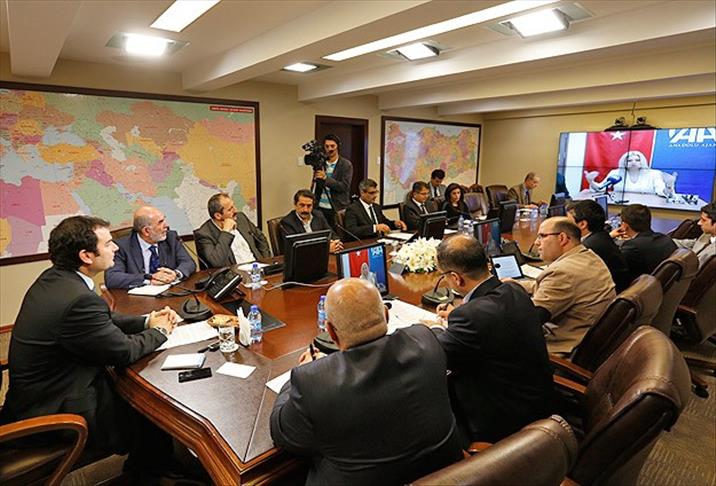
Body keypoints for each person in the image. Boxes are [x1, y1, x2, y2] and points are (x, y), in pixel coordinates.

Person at [1, 216, 178, 478]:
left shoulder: (57, 279)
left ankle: (153, 462)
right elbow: (124, 351)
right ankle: (149, 471)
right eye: (108, 244)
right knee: (151, 405)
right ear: (86, 255)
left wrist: (146, 321)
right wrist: (160, 331)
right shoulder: (76, 299)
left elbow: (101, 319)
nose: (116, 247)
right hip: (53, 411)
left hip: (34, 395)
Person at [270, 278, 463, 485]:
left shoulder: (313, 381)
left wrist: (299, 374)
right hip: (448, 476)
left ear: (331, 332)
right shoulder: (424, 339)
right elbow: (436, 332)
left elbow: (282, 434)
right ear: (386, 315)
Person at [432, 235, 554, 443]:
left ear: (456, 278)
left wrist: (434, 327)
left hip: (503, 423)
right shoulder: (514, 290)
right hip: (537, 403)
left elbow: (435, 355)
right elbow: (489, 321)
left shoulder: (470, 316)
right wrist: (459, 314)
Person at [516, 217, 616, 356]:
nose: (537, 242)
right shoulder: (588, 257)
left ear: (562, 238)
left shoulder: (562, 272)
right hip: (583, 341)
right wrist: (514, 285)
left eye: (542, 236)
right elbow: (552, 287)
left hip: (557, 352)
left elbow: (529, 320)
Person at [105, 205, 196, 288]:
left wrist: (175, 274)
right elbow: (112, 278)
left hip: (170, 292)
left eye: (164, 220)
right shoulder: (121, 246)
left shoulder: (171, 238)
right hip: (138, 297)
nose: (166, 226)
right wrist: (150, 278)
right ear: (146, 231)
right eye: (160, 222)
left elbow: (188, 262)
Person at [567, 199, 631, 292]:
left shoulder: (587, 249)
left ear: (582, 224)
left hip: (606, 294)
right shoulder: (601, 236)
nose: (565, 225)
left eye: (568, 221)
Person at [194, 193, 271, 268]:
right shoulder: (204, 234)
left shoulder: (241, 218)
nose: (235, 210)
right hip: (235, 274)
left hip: (258, 267)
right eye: (230, 209)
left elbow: (260, 238)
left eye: (233, 206)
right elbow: (216, 262)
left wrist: (265, 261)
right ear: (218, 216)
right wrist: (226, 231)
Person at [610, 203, 677, 281]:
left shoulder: (632, 246)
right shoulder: (665, 238)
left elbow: (611, 265)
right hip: (658, 285)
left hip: (637, 286)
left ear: (624, 226)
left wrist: (609, 237)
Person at [280, 189, 343, 253]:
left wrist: (336, 243)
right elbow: (296, 249)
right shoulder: (287, 222)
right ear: (295, 204)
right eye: (302, 205)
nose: (305, 210)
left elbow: (332, 235)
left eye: (309, 206)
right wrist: (325, 249)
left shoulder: (318, 215)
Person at [585, 150, 672, 197]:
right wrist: (591, 181)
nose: (633, 162)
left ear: (642, 162)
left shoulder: (654, 174)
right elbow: (600, 188)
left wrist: (669, 185)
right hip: (620, 206)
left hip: (646, 208)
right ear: (624, 163)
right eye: (629, 160)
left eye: (637, 160)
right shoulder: (615, 173)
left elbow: (662, 192)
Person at [313, 134, 354, 228]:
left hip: (336, 207)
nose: (329, 149)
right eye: (327, 146)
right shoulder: (321, 163)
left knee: (337, 233)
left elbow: (344, 186)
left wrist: (325, 178)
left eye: (332, 146)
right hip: (320, 207)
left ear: (337, 146)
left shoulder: (346, 165)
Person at [673, 202, 716, 268]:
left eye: (704, 220)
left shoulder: (713, 254)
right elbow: (692, 244)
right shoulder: (707, 235)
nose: (699, 223)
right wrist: (664, 241)